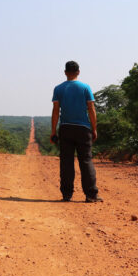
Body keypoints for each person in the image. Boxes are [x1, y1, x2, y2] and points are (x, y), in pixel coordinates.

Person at [50, 60, 101, 203]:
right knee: (86, 161)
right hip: (83, 129)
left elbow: (55, 111)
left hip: (65, 128)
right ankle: (91, 195)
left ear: (65, 72)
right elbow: (91, 109)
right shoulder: (85, 88)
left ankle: (67, 195)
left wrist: (53, 131)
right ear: (78, 72)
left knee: (66, 162)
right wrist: (94, 129)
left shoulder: (58, 89)